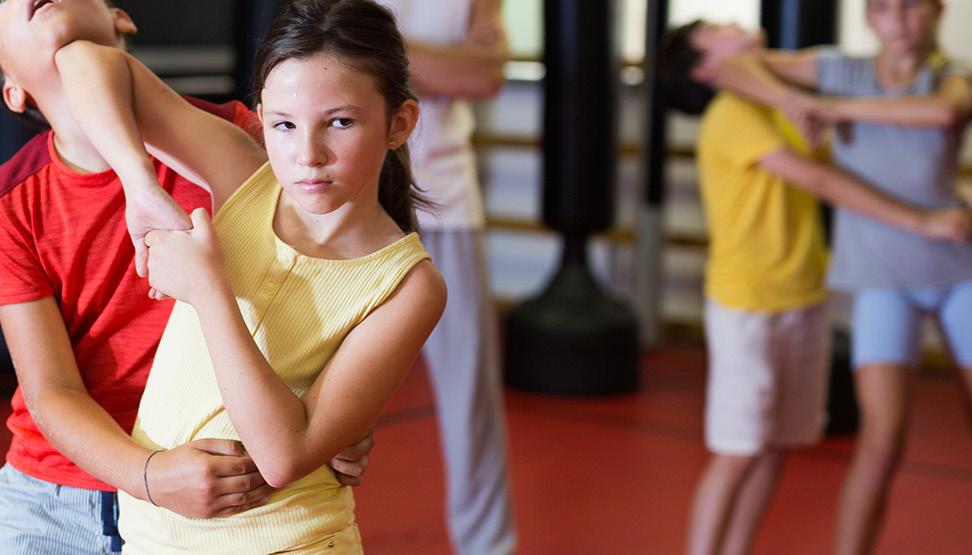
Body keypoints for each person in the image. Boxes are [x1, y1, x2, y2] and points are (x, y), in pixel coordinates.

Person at [53, 0, 447, 551]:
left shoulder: (408, 287)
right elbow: (82, 59)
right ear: (262, 120)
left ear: (398, 124)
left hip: (289, 541)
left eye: (340, 122)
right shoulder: (244, 175)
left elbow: (285, 455)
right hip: (149, 537)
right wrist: (140, 187)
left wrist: (208, 290)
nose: (308, 155)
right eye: (285, 125)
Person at [658, 17, 971, 555]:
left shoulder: (783, 106)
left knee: (776, 445)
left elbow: (883, 144)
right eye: (714, 28)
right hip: (749, 301)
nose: (732, 21)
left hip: (804, 293)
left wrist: (818, 108)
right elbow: (822, 178)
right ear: (705, 69)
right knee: (740, 450)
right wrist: (921, 221)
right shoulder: (734, 113)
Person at [375, 1, 516, 553]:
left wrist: (378, 51)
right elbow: (329, 57)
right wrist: (444, 63)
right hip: (350, 197)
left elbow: (485, 76)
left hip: (448, 203)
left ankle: (488, 546)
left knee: (470, 395)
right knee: (308, 382)